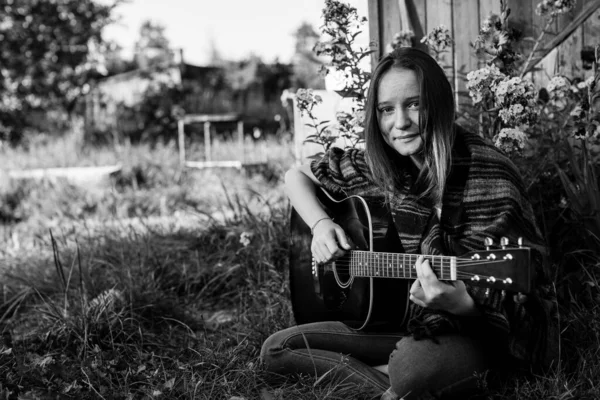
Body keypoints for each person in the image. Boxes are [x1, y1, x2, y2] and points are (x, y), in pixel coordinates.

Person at [260, 47, 558, 400]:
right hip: (397, 321)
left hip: (470, 331)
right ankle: (391, 384)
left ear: (439, 103)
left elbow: (522, 301)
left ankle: (400, 378)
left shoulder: (488, 174)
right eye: (386, 109)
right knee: (277, 350)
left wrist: (461, 304)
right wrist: (321, 224)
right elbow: (297, 175)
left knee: (416, 373)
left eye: (414, 104)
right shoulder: (383, 164)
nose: (399, 123)